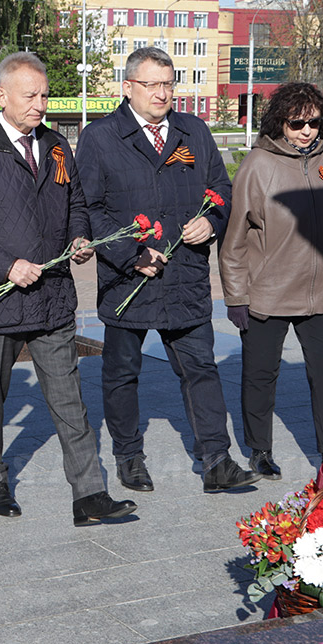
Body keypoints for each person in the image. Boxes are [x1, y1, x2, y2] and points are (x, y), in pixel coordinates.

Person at [0, 52, 137, 526]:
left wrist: (78, 238)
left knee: (70, 399)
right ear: (2, 96)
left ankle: (89, 493)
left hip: (52, 298)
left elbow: (77, 202)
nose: (40, 104)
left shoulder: (55, 145)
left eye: (44, 94)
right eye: (30, 96)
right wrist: (6, 267)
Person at [78, 47, 259, 494]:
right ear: (128, 87)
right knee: (122, 373)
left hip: (185, 278)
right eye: (152, 84)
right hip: (129, 281)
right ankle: (129, 457)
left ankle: (217, 460)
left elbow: (221, 189)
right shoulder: (101, 137)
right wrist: (131, 253)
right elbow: (88, 209)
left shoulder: (193, 131)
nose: (162, 93)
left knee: (201, 368)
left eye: (168, 84)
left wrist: (210, 221)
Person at [219, 82, 323, 475]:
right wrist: (235, 297)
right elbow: (234, 241)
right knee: (261, 377)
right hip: (268, 294)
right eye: (297, 123)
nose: (307, 131)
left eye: (314, 122)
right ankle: (260, 449)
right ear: (280, 121)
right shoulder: (257, 166)